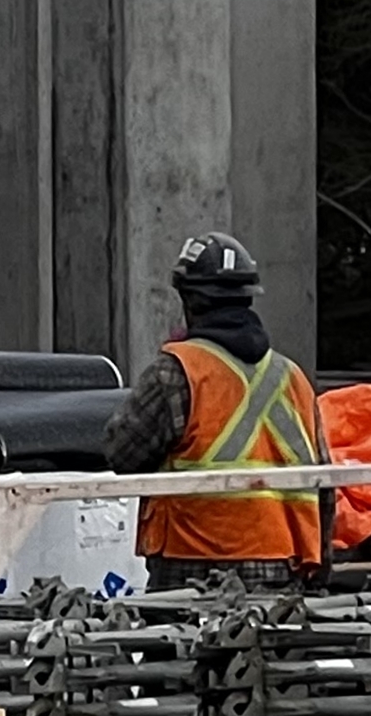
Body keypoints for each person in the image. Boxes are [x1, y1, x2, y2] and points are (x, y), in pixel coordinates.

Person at [103, 231, 330, 592]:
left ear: (189, 300)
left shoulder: (177, 371)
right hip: (280, 567)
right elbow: (324, 485)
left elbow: (121, 451)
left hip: (191, 565)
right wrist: (320, 569)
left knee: (178, 648)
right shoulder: (293, 378)